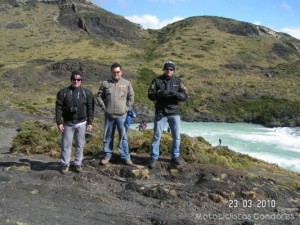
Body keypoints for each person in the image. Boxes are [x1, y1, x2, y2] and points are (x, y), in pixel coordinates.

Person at [148, 60, 188, 169]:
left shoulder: (178, 81)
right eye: (167, 69)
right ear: (164, 69)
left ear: (173, 70)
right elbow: (150, 95)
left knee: (176, 136)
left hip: (174, 112)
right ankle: (153, 157)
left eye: (171, 69)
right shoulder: (156, 81)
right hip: (161, 112)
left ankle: (175, 156)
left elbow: (185, 95)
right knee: (156, 136)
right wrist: (159, 94)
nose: (169, 71)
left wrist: (176, 94)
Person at [55, 71, 94, 174]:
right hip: (68, 123)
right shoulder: (63, 92)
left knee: (80, 144)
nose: (76, 81)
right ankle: (65, 164)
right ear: (71, 80)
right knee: (66, 145)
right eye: (74, 79)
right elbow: (58, 108)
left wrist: (90, 122)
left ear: (81, 81)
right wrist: (59, 122)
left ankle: (78, 163)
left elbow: (90, 108)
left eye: (78, 80)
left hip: (81, 122)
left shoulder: (87, 93)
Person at [97, 62, 135, 166]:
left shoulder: (127, 83)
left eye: (118, 72)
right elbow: (99, 96)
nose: (116, 74)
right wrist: (104, 107)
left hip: (122, 115)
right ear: (111, 72)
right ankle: (107, 155)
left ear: (121, 72)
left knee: (123, 137)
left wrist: (126, 108)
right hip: (109, 116)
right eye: (114, 72)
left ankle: (125, 157)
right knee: (108, 136)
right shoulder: (105, 84)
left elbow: (131, 96)